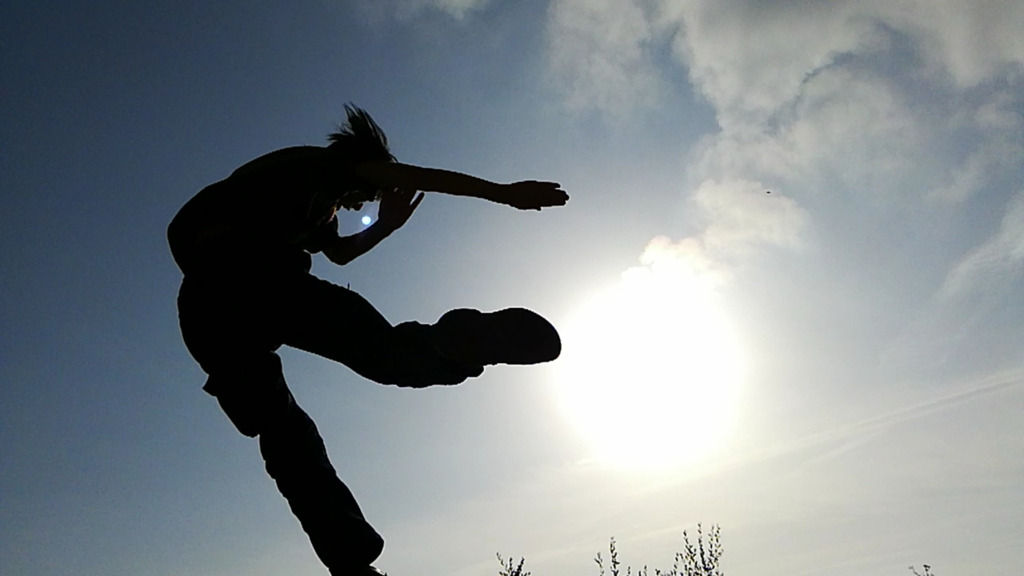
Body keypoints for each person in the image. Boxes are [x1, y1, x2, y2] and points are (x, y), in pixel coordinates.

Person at [168, 105, 568, 576]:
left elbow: (339, 255)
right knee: (384, 355)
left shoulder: (315, 206)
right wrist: (503, 193)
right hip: (250, 278)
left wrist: (385, 227)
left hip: (209, 315)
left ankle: (351, 565)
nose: (362, 204)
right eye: (372, 194)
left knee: (287, 437)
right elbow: (421, 177)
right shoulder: (327, 166)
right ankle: (470, 340)